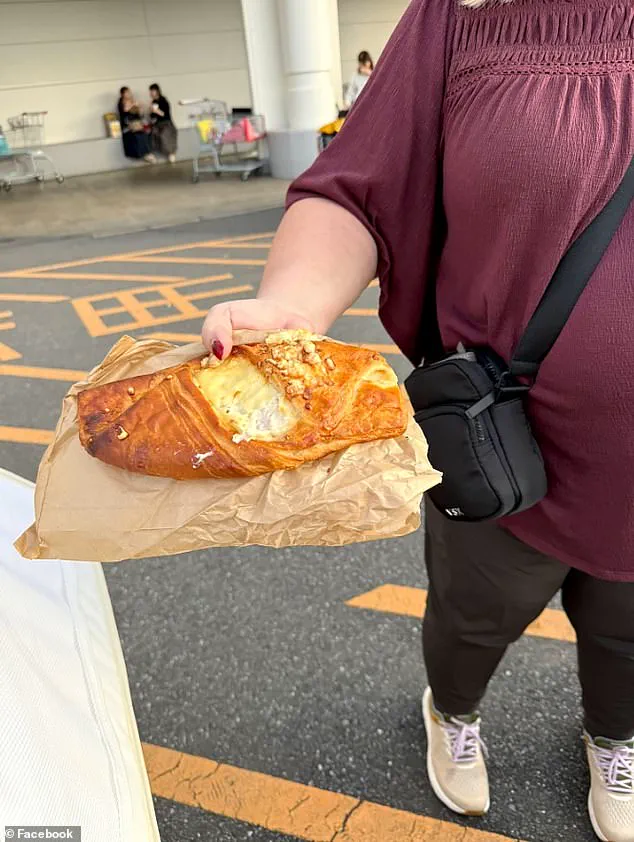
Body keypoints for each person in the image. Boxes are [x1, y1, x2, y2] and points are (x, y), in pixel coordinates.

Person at [202, 1, 634, 840]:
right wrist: (289, 307)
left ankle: (616, 736)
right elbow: (360, 187)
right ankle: (454, 712)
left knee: (630, 635)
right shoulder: (461, 17)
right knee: (475, 616)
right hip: (504, 444)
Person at [117, 87, 155, 163]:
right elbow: (125, 110)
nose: (129, 94)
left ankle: (147, 153)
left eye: (129, 92)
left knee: (147, 131)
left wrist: (139, 107)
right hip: (128, 125)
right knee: (139, 133)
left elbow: (139, 115)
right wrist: (132, 104)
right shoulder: (121, 103)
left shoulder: (133, 101)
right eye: (127, 92)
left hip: (137, 123)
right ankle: (146, 154)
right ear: (122, 94)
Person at [149, 83, 177, 164]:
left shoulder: (163, 101)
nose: (151, 93)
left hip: (166, 123)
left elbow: (165, 114)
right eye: (150, 91)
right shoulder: (153, 102)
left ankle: (171, 153)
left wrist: (156, 111)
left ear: (157, 91)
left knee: (165, 135)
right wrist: (151, 112)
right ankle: (153, 155)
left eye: (152, 91)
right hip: (157, 124)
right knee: (153, 134)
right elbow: (153, 116)